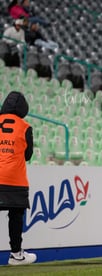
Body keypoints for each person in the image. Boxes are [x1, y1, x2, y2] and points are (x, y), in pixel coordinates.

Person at [0, 91, 37, 265]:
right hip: (14, 179)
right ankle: (16, 254)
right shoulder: (25, 126)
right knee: (15, 215)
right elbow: (28, 155)